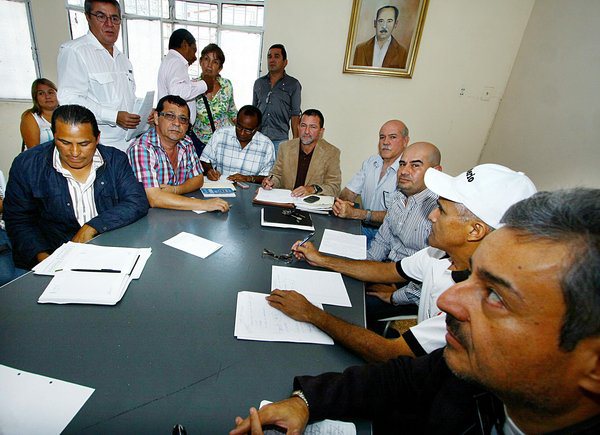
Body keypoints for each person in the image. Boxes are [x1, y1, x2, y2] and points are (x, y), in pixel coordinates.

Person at [232, 188, 600, 435]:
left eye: (497, 297)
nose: (447, 301)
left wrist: (314, 314)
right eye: (471, 277)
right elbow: (400, 379)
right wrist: (308, 400)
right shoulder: (469, 367)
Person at [271, 164, 536, 359]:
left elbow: (390, 353)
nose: (431, 216)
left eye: (442, 211)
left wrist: (311, 313)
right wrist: (322, 259)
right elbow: (386, 270)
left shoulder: (472, 303)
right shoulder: (440, 254)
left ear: (475, 230)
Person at [3, 105, 149, 270]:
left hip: (110, 251)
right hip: (53, 254)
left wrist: (92, 226)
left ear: (98, 138)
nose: (74, 152)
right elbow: (18, 220)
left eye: (84, 143)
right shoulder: (27, 165)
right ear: (54, 136)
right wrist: (46, 260)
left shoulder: (115, 159)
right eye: (64, 142)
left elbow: (136, 200)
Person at [57, 0, 140, 152]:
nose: (109, 24)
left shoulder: (123, 60)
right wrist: (113, 116)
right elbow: (69, 100)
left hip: (129, 145)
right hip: (100, 147)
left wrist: (143, 114)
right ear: (88, 17)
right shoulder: (75, 51)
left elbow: (128, 100)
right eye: (101, 16)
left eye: (115, 18)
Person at [128, 95, 229, 213]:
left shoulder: (186, 142)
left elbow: (198, 178)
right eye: (170, 116)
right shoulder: (141, 148)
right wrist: (204, 204)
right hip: (148, 216)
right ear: (156, 117)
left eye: (183, 119)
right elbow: (154, 198)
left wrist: (176, 190)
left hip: (178, 212)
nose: (177, 123)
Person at [333, 120, 409, 243]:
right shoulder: (371, 162)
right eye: (382, 137)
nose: (385, 142)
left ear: (405, 141)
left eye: (393, 137)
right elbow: (349, 192)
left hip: (391, 237)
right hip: (363, 228)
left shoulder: (407, 171)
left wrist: (357, 213)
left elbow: (397, 216)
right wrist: (342, 204)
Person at [261, 109, 341, 197]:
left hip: (312, 206)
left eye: (313, 127)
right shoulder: (285, 147)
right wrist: (270, 182)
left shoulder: (331, 153)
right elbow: (276, 175)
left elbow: (334, 187)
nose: (306, 131)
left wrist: (312, 189)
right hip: (287, 202)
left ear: (321, 131)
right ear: (298, 127)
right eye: (303, 125)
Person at [157, 29, 210, 157]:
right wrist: (205, 84)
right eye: (194, 50)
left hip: (173, 126)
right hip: (176, 126)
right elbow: (177, 93)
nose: (195, 57)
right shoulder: (177, 62)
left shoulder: (169, 61)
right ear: (185, 45)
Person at [200, 105, 275, 184]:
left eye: (248, 130)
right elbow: (205, 160)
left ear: (257, 128)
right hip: (222, 187)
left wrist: (248, 178)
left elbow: (267, 177)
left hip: (250, 191)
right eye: (239, 127)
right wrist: (209, 171)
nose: (242, 133)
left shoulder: (266, 145)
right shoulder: (220, 134)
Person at [252, 44, 301, 153]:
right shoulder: (259, 83)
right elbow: (253, 112)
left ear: (285, 62)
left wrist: (296, 142)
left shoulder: (293, 84)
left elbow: (295, 115)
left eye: (276, 56)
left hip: (280, 140)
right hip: (258, 139)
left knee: (277, 170)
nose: (272, 60)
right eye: (269, 57)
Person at [192, 43, 237, 150]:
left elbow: (232, 112)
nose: (209, 65)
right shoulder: (192, 86)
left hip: (223, 143)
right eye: (206, 59)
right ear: (201, 61)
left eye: (215, 62)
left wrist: (246, 129)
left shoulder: (227, 85)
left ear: (220, 68)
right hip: (200, 143)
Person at [20, 78, 59, 149]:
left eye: (50, 92)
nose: (47, 97)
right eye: (41, 93)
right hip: (38, 158)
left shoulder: (65, 114)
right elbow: (34, 150)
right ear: (36, 98)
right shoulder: (30, 117)